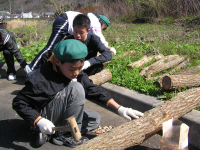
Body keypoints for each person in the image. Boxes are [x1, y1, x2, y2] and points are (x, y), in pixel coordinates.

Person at [12, 39, 143, 148]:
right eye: (72, 69)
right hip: (44, 115)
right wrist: (38, 121)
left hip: (56, 115)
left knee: (94, 118)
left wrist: (120, 108)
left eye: (80, 68)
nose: (76, 72)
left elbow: (92, 89)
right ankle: (65, 135)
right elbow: (19, 102)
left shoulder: (73, 71)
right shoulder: (40, 79)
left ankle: (52, 133)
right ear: (58, 62)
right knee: (77, 88)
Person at [24, 11, 116, 74]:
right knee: (50, 50)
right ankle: (32, 70)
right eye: (75, 32)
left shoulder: (94, 39)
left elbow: (108, 55)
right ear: (72, 29)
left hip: (85, 68)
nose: (78, 35)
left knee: (98, 66)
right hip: (71, 69)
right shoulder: (70, 39)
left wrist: (89, 62)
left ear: (88, 31)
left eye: (81, 33)